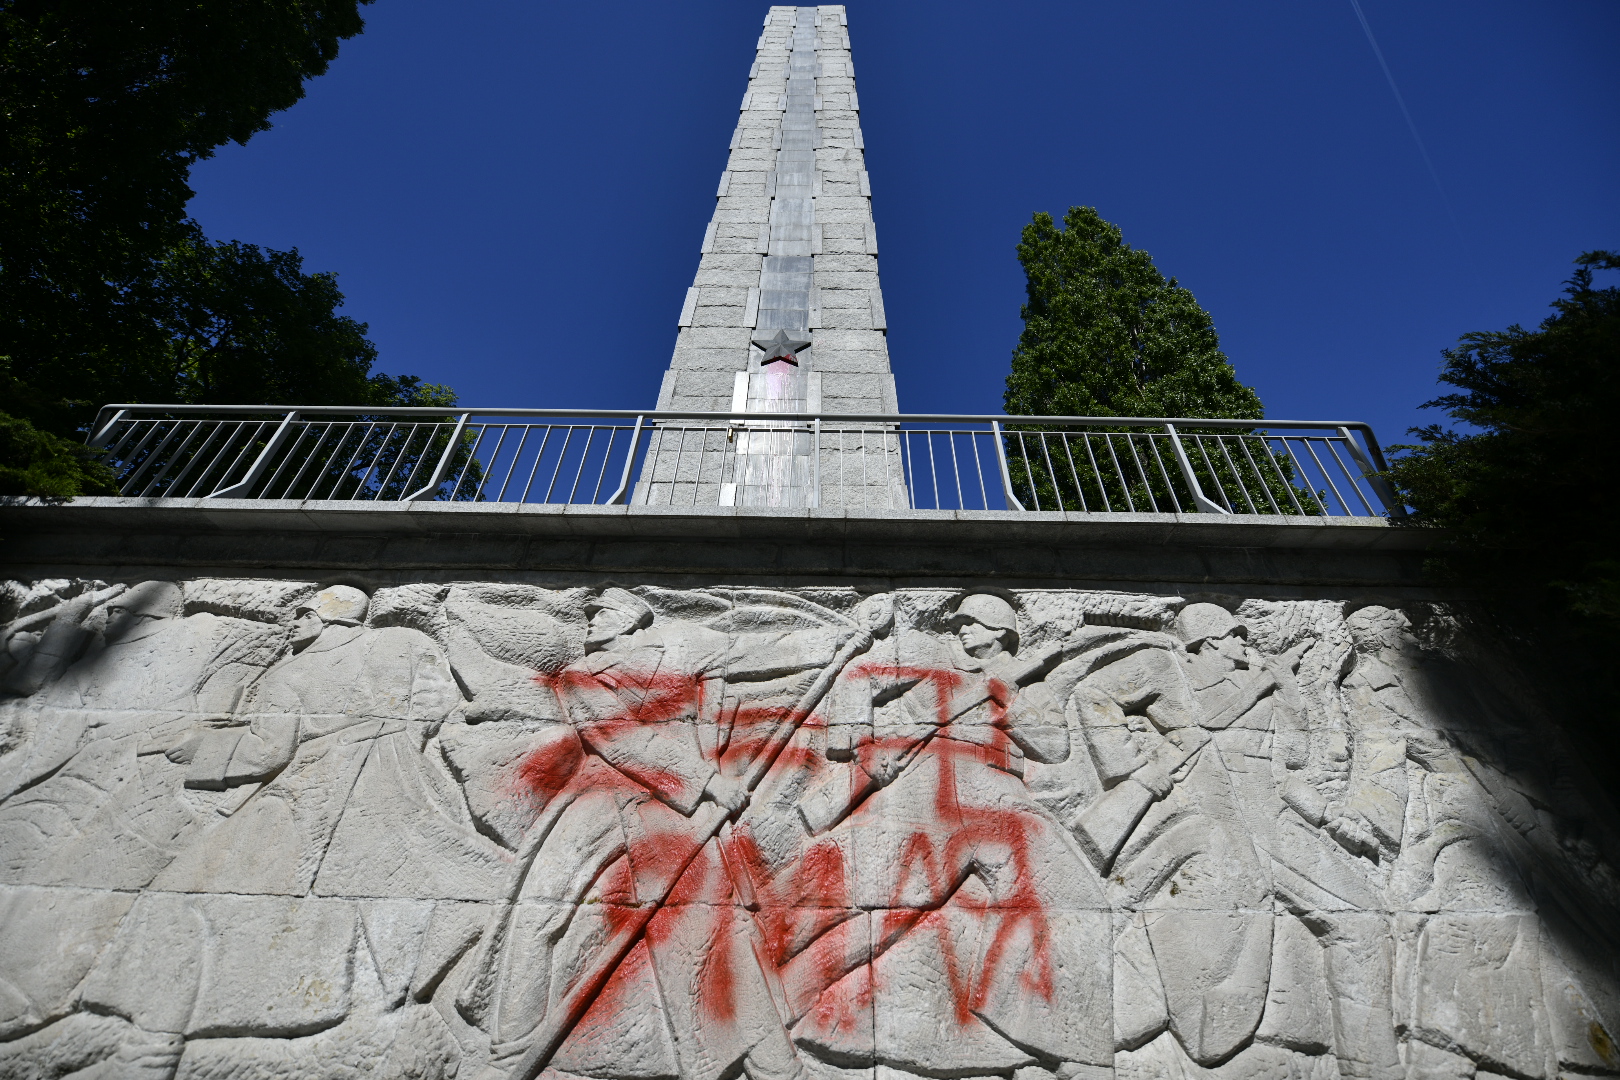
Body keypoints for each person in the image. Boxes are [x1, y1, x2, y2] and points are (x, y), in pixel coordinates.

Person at [463, 587, 868, 1080]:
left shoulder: (683, 644)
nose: (593, 623)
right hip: (604, 800)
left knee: (715, 928)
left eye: (604, 614)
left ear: (633, 619)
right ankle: (510, 1046)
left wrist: (847, 634)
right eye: (591, 617)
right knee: (539, 910)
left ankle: (766, 1064)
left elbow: (766, 652)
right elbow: (619, 738)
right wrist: (707, 783)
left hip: (677, 817)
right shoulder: (579, 677)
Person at [764, 593, 1115, 1079]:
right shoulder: (930, 657)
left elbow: (1053, 748)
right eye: (961, 623)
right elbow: (858, 677)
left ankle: (1062, 1044)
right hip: (930, 787)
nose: (963, 632)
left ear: (1003, 633)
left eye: (975, 624)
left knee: (1072, 893)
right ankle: (776, 1007)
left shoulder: (1024, 684)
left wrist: (1007, 698)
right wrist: (857, 743)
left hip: (998, 794)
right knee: (882, 910)